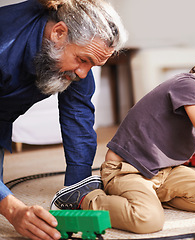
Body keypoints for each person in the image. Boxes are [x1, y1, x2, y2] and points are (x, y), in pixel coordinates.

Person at [50, 58, 195, 234]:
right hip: (128, 170)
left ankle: (146, 197)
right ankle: (84, 198)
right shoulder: (190, 83)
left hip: (164, 172)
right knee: (148, 220)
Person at [0, 0, 127, 239]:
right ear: (58, 33)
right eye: (83, 60)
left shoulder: (77, 58)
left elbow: (78, 116)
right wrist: (12, 208)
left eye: (93, 65)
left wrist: (78, 190)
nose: (83, 73)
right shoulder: (4, 46)